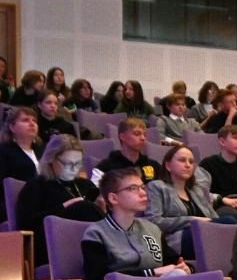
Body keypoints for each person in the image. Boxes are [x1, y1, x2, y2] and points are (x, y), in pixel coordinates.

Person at [80, 168, 190, 280]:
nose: (143, 193)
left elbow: (172, 261)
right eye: (133, 188)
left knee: (179, 277)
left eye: (142, 187)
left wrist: (186, 267)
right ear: (113, 198)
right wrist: (151, 273)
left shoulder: (152, 229)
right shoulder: (96, 234)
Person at [15, 134, 102, 264]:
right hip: (52, 246)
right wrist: (64, 207)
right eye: (68, 163)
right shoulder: (36, 186)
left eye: (78, 164)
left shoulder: (85, 185)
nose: (74, 169)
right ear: (51, 159)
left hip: (88, 242)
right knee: (83, 207)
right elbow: (27, 225)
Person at [144, 144, 219, 258]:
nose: (188, 165)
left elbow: (215, 218)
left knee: (230, 222)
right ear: (168, 166)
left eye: (191, 161)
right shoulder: (156, 187)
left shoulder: (196, 190)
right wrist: (192, 220)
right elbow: (153, 221)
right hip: (179, 240)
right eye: (182, 160)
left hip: (207, 234)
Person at [200, 124, 237, 214]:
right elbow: (200, 192)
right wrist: (222, 199)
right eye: (235, 138)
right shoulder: (208, 164)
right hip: (221, 205)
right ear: (222, 142)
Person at [0, 107, 41, 222]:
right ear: (12, 127)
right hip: (19, 205)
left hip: (44, 201)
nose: (32, 123)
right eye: (25, 120)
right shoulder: (4, 152)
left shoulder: (43, 151)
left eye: (34, 120)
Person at [94, 118, 158, 183]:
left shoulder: (153, 165)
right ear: (122, 137)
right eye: (137, 134)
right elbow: (94, 191)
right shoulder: (104, 167)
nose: (143, 138)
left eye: (144, 135)